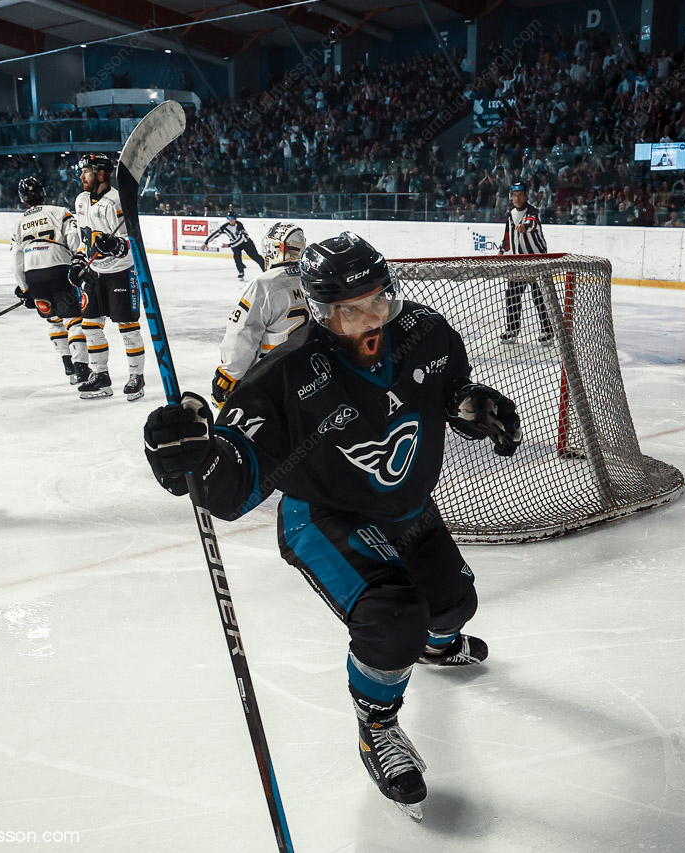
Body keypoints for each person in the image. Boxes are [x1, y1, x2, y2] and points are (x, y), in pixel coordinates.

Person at [143, 232, 519, 819]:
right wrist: (193, 458)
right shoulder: (284, 374)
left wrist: (471, 406)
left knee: (453, 605)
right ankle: (377, 727)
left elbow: (450, 389)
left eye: (379, 300)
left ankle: (434, 646)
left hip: (407, 508)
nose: (371, 318)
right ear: (319, 312)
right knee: (393, 618)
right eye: (350, 310)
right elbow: (233, 482)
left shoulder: (426, 332)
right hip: (322, 514)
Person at [70, 153, 146, 401]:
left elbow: (132, 241)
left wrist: (116, 245)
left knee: (128, 327)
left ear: (101, 174)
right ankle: (100, 375)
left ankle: (136, 376)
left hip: (121, 272)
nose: (81, 176)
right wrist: (78, 261)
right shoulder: (81, 201)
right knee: (90, 326)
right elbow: (84, 240)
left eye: (86, 172)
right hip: (95, 273)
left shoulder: (116, 201)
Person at [210, 221, 309, 406]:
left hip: (272, 375)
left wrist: (227, 376)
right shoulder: (311, 279)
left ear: (276, 248)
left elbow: (242, 332)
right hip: (310, 373)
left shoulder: (264, 284)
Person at [9, 176, 86, 385]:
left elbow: (16, 260)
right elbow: (75, 240)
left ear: (23, 200)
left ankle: (68, 365)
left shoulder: (18, 224)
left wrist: (24, 288)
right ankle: (82, 369)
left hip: (34, 275)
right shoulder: (60, 212)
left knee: (53, 320)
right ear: (43, 193)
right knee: (73, 320)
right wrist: (78, 263)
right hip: (59, 270)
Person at [500, 181, 554, 344]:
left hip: (537, 263)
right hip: (519, 264)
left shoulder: (533, 212)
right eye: (514, 195)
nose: (517, 199)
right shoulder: (511, 214)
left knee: (539, 297)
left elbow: (531, 223)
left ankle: (547, 331)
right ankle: (512, 329)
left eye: (520, 195)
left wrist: (524, 227)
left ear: (526, 196)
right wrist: (502, 251)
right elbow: (507, 235)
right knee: (512, 295)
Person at [204, 212, 265, 280]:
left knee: (255, 256)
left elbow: (241, 239)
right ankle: (241, 272)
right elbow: (215, 234)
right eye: (229, 218)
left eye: (232, 218)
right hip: (234, 244)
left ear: (235, 219)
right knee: (237, 257)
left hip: (246, 243)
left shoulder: (239, 225)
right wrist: (206, 242)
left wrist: (229, 245)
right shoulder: (225, 227)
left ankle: (265, 270)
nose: (231, 220)